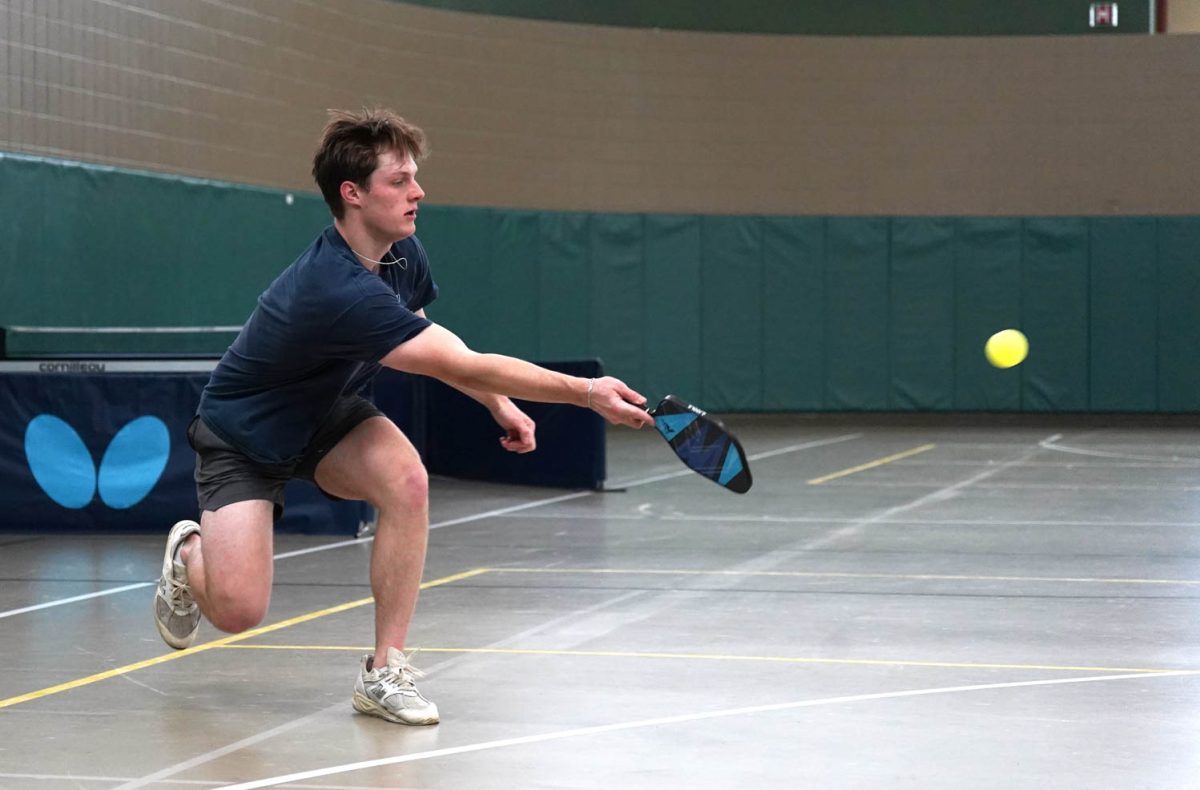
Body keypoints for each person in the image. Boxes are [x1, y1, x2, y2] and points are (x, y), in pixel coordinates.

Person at [153, 108, 654, 726]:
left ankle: (383, 670)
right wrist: (585, 392)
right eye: (399, 181)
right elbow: (459, 363)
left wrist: (497, 401)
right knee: (237, 613)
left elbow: (428, 333)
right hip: (244, 435)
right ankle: (189, 553)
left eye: (414, 177)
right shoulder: (334, 287)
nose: (418, 193)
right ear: (353, 194)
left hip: (327, 416)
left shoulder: (401, 254)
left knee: (407, 481)